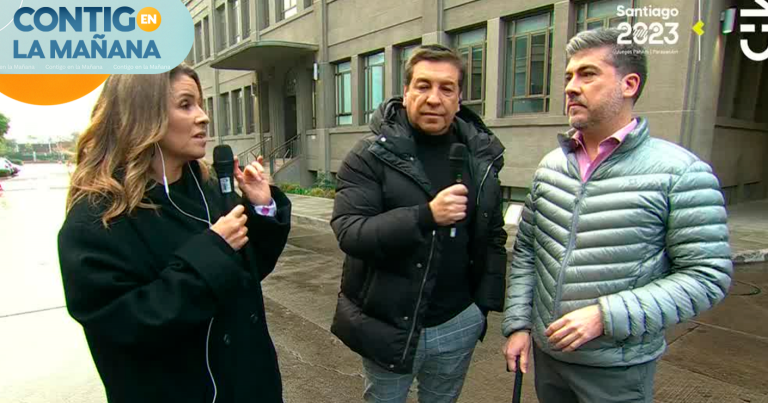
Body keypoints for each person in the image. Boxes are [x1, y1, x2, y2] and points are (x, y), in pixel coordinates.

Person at [502, 28, 733, 403]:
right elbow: (527, 253)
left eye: (588, 74)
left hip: (618, 370)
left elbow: (707, 276)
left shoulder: (681, 172)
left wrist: (605, 316)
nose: (571, 87)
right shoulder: (551, 167)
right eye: (568, 76)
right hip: (549, 362)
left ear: (629, 84)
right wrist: (518, 325)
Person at [58, 64, 291, 403]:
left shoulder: (206, 187)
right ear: (143, 116)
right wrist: (212, 253)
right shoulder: (97, 218)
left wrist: (262, 209)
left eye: (200, 104)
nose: (203, 117)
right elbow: (126, 324)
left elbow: (246, 273)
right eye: (186, 105)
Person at [330, 44, 507, 403]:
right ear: (406, 91)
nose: (433, 98)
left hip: (458, 321)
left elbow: (492, 235)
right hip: (389, 324)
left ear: (459, 98)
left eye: (446, 88)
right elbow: (350, 231)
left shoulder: (481, 155)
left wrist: (482, 307)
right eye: (423, 86)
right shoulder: (370, 155)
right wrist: (426, 216)